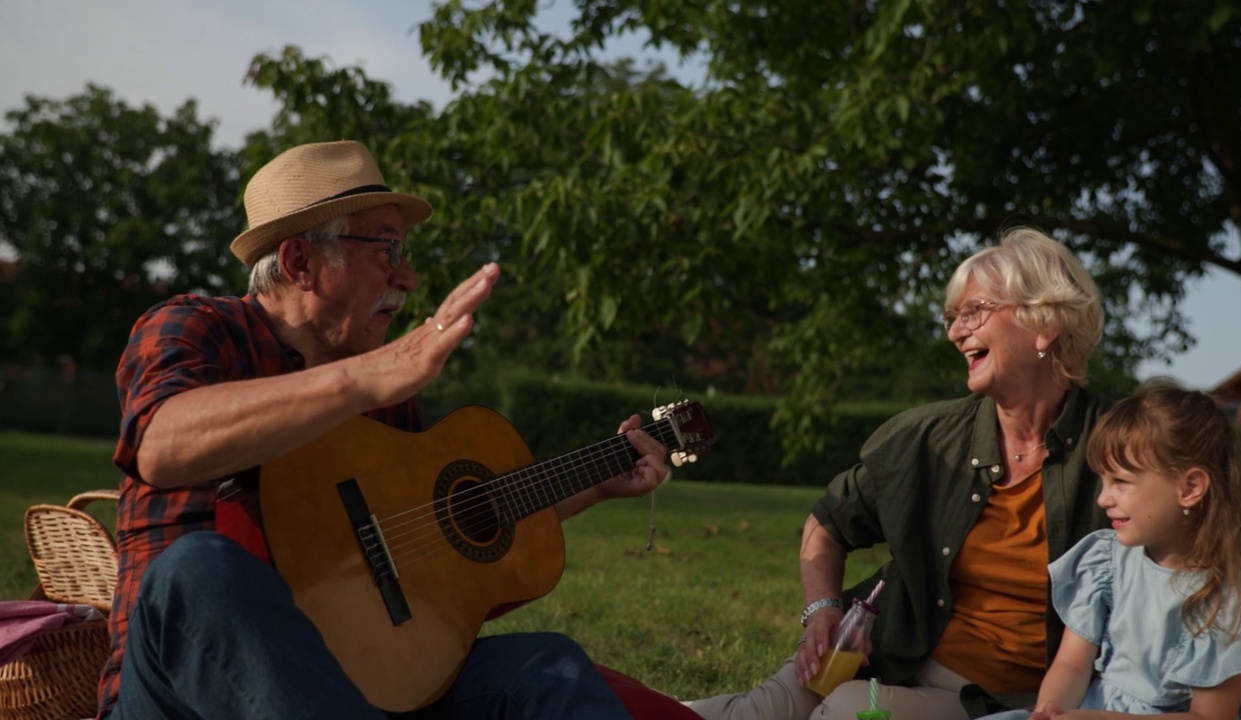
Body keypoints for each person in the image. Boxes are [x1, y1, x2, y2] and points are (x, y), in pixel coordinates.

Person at [99, 140, 676, 720]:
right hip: (181, 697)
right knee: (198, 570)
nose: (409, 276)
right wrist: (367, 378)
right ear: (300, 262)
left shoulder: (382, 386)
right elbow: (159, 445)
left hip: (361, 688)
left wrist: (597, 482)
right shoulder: (193, 325)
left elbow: (427, 545)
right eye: (386, 248)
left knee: (547, 667)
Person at [686, 228, 1111, 720]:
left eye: (974, 311)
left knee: (845, 712)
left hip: (995, 701)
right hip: (876, 647)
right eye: (952, 317)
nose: (955, 332)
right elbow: (827, 524)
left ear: (1045, 321)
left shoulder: (1121, 449)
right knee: (749, 714)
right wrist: (821, 612)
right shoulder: (926, 437)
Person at [978, 381, 1241, 720]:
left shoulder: (1224, 606)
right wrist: (1051, 709)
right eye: (1103, 481)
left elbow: (1208, 718)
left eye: (1120, 481)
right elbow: (1071, 664)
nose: (1103, 499)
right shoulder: (1106, 562)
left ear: (1190, 487)